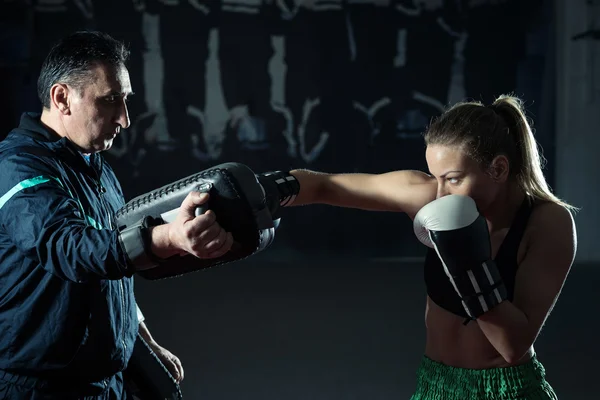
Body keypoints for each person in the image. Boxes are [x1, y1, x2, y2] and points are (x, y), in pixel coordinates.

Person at [259, 94, 576, 399]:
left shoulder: (547, 223)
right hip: (435, 386)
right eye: (436, 177)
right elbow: (326, 186)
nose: (439, 195)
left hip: (507, 390)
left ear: (498, 169)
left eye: (452, 178)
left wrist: (468, 265)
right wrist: (265, 189)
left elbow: (513, 345)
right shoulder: (428, 195)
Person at [0, 31, 234, 398]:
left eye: (125, 100)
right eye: (110, 100)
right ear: (62, 98)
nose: (124, 119)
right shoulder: (17, 167)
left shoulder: (95, 166)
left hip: (105, 382)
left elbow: (109, 268)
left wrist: (142, 342)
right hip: (39, 388)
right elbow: (72, 248)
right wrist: (169, 237)